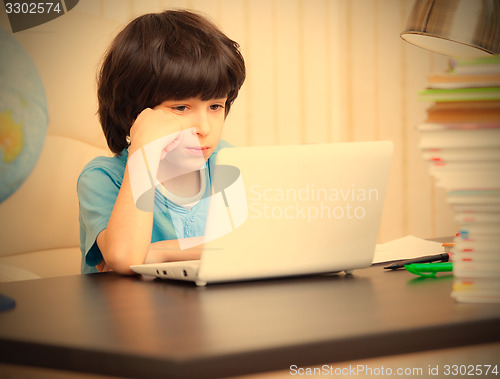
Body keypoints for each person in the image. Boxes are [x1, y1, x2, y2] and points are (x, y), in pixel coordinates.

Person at [77, 10, 246, 275]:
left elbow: (252, 244)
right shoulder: (102, 177)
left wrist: (160, 252)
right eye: (181, 108)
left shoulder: (229, 161)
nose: (204, 128)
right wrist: (143, 152)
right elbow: (124, 257)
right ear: (135, 113)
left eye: (215, 106)